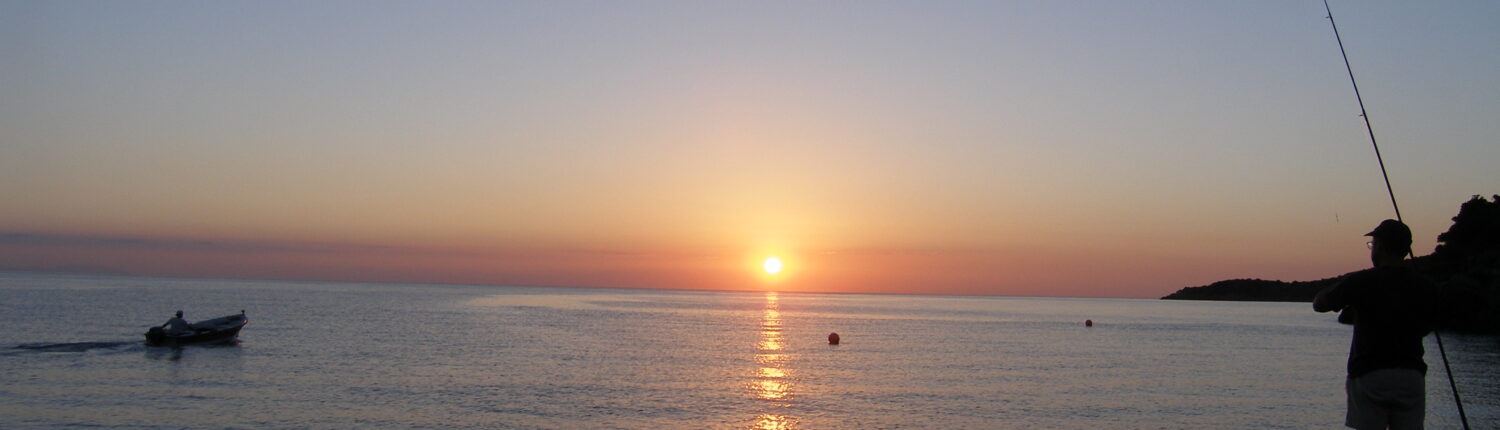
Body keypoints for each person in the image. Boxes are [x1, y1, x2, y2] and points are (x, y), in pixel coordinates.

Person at [1314, 219, 1436, 430]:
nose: (1372, 250)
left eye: (1372, 244)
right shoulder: (1426, 286)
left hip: (1370, 374)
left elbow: (1320, 304)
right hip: (1411, 375)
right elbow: (1428, 325)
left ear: (1380, 246)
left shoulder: (1361, 281)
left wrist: (1345, 283)